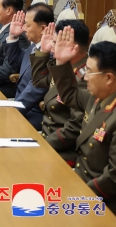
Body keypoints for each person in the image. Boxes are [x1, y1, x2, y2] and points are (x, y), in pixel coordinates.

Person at [47, 29, 116, 219]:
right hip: (81, 181)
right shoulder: (97, 97)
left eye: (89, 71)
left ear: (108, 78)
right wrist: (62, 63)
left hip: (104, 201)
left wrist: (79, 194)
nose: (84, 77)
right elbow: (69, 94)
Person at [30, 20, 89, 166]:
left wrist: (43, 144)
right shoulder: (66, 68)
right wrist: (42, 51)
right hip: (47, 137)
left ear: (72, 47)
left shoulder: (86, 77)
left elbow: (74, 127)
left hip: (64, 150)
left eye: (55, 43)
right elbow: (39, 81)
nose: (52, 48)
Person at [3, 3, 55, 129]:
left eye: (28, 25)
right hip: (20, 104)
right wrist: (13, 36)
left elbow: (36, 89)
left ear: (43, 28)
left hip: (33, 113)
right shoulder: (34, 46)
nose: (24, 28)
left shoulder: (51, 54)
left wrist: (13, 111)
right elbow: (15, 62)